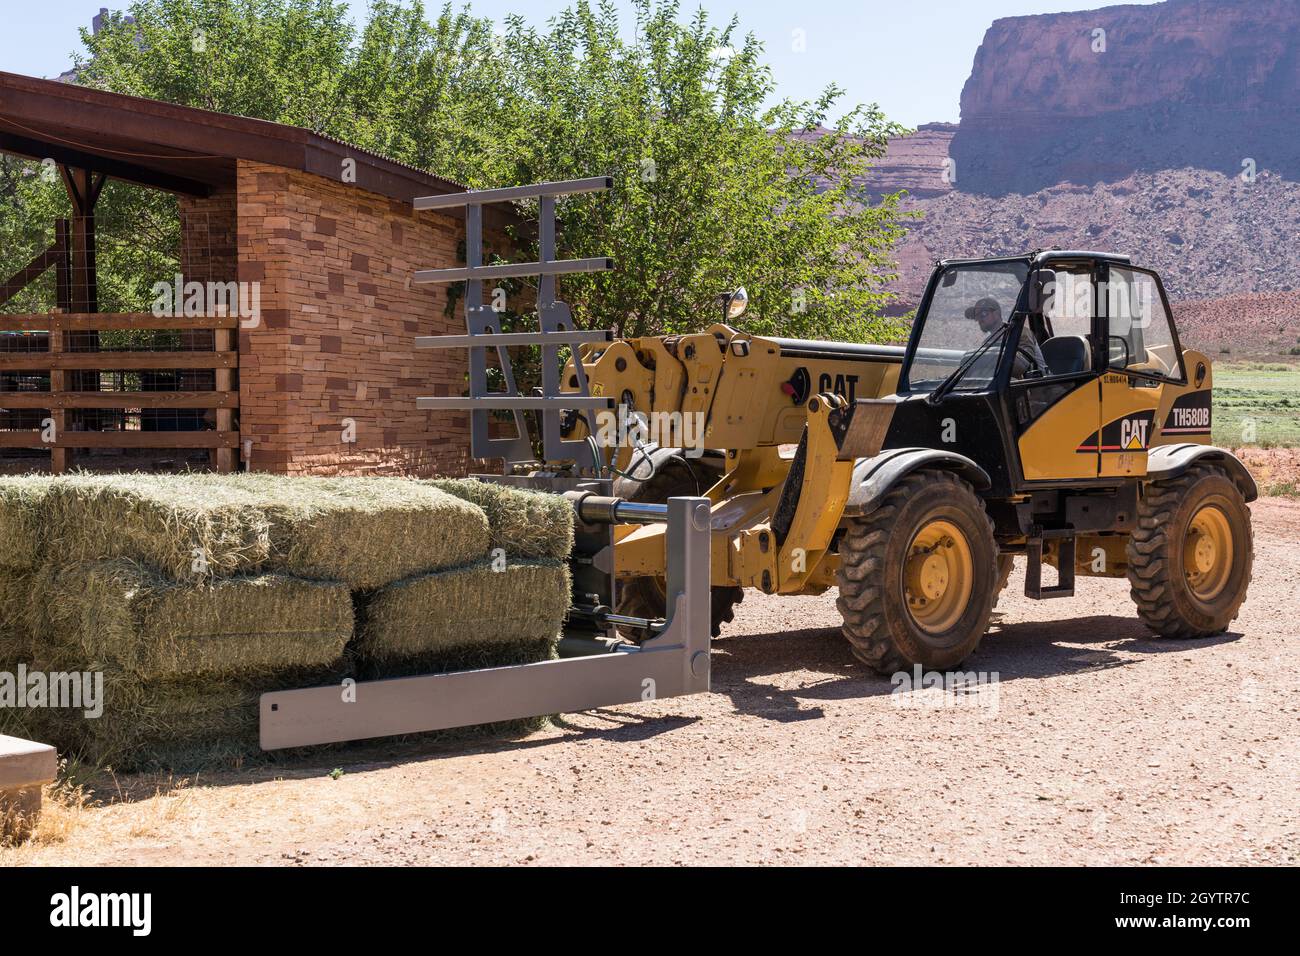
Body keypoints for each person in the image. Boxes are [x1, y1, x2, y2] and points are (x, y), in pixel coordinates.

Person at [964, 296, 1047, 374]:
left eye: (983, 313)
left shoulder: (1019, 333)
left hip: (1033, 386)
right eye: (977, 316)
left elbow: (1024, 365)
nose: (979, 319)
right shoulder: (987, 342)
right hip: (1004, 386)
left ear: (996, 313)